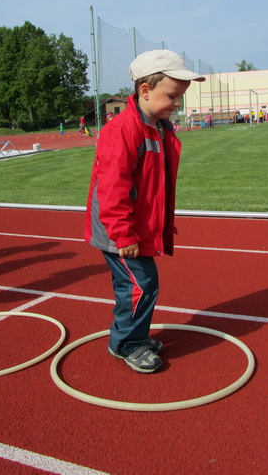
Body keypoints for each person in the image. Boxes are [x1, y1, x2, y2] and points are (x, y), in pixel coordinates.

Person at [85, 49, 205, 373]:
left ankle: (130, 336)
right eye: (173, 96)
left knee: (139, 284)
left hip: (134, 225)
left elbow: (155, 184)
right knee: (141, 284)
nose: (177, 103)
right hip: (118, 230)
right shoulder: (123, 130)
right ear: (145, 90)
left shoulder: (159, 127)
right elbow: (113, 190)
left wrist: (160, 223)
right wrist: (123, 234)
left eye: (180, 97)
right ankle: (127, 344)